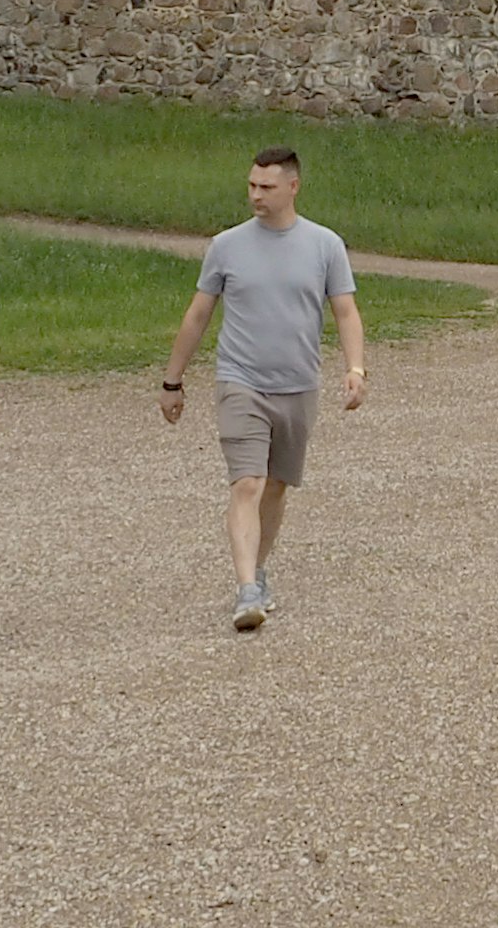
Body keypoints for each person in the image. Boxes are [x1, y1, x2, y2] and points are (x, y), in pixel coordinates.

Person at [160, 144, 367, 631]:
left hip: (297, 384)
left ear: (293, 187)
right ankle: (247, 588)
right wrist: (173, 379)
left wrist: (356, 368)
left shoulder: (324, 246)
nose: (256, 195)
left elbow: (345, 311)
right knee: (247, 483)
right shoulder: (226, 246)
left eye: (267, 187)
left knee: (275, 486)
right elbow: (199, 313)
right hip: (241, 380)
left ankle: (260, 570)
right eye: (252, 185)